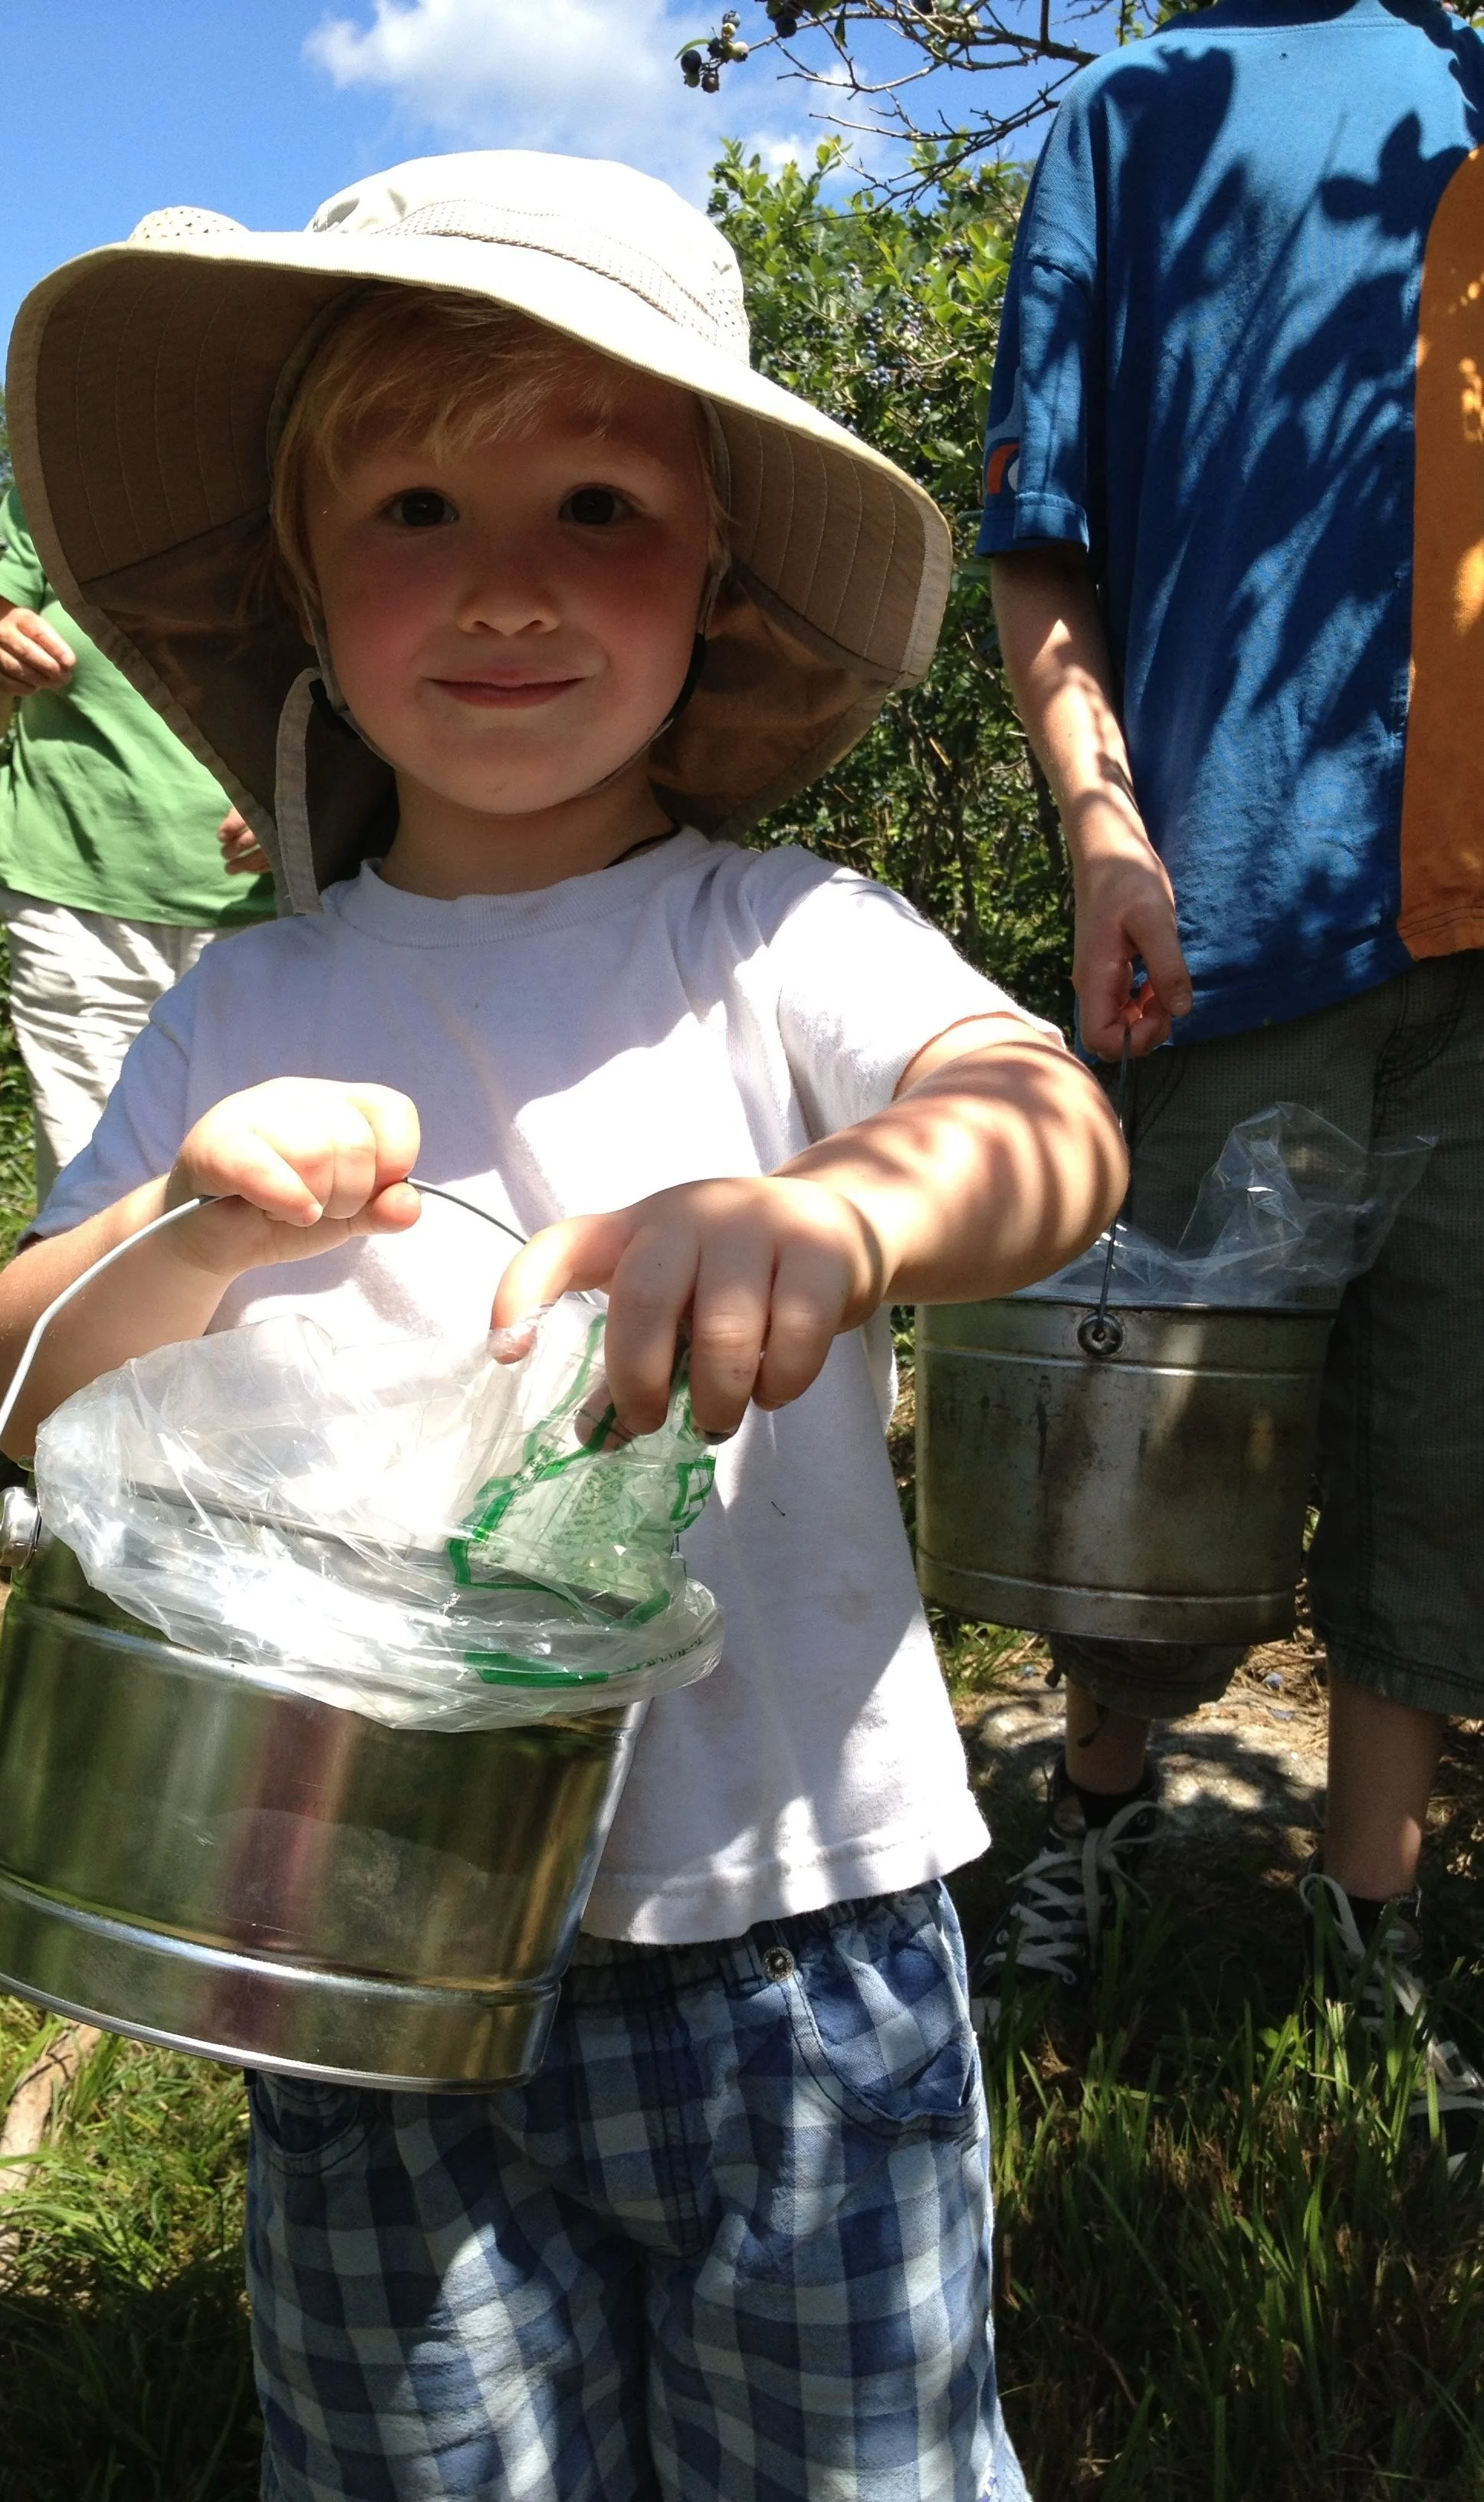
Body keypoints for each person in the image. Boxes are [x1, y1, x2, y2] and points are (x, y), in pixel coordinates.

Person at [0, 153, 1126, 2500]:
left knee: (848, 2466)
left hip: (786, 1921)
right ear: (308, 586)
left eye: (596, 504)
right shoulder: (241, 1001)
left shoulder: (777, 938)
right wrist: (193, 1230)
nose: (502, 581)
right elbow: (20, 1361)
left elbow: (1047, 1123)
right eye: (412, 506)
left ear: (716, 592)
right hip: (346, 1924)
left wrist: (844, 1208)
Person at [973, 0, 1484, 2150]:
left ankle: (1371, 1923)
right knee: (1144, 1445)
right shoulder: (1134, 112)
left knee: (1443, 1456)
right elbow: (1046, 541)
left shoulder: (1470, 87)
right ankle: (1093, 1820)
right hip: (1236, 907)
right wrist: (1105, 826)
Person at [0, 482, 274, 1203]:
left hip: (275, 917)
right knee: (96, 1195)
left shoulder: (297, 477)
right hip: (77, 913)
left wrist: (312, 805)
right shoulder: (52, 493)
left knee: (267, 1195)